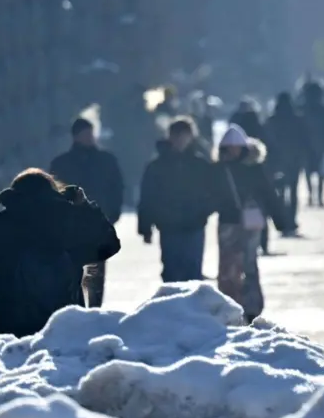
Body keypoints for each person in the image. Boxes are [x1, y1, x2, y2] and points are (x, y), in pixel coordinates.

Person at [0, 168, 120, 338]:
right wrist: (85, 206)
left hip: (11, 328)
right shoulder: (70, 220)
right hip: (65, 326)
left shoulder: (2, 225)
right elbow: (109, 244)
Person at [49, 118, 125, 308]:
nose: (89, 137)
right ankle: (74, 308)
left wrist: (112, 213)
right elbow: (53, 192)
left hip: (97, 223)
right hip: (69, 225)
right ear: (76, 136)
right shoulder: (62, 163)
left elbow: (117, 188)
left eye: (91, 133)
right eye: (85, 133)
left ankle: (95, 309)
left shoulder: (107, 161)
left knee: (97, 270)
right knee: (71, 270)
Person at [211, 125, 284, 323]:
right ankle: (231, 304)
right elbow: (208, 196)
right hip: (229, 222)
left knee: (248, 263)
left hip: (249, 223)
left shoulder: (254, 169)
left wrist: (281, 220)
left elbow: (269, 194)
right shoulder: (219, 170)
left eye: (236, 146)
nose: (233, 150)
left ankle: (251, 307)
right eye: (230, 147)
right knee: (228, 265)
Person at [137, 118, 214, 283]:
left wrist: (203, 212)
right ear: (169, 137)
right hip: (168, 226)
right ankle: (172, 307)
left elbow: (213, 192)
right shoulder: (157, 166)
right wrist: (145, 227)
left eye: (184, 135)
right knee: (171, 271)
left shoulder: (200, 164)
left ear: (191, 137)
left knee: (193, 272)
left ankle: (191, 308)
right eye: (176, 135)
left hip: (194, 225)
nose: (180, 140)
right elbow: (147, 197)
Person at [263, 92, 311, 236]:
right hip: (294, 160)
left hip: (276, 162)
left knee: (280, 192)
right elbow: (305, 140)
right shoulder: (298, 119)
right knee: (293, 191)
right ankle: (291, 220)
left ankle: (282, 221)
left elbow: (266, 141)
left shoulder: (272, 121)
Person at [301, 81, 324, 208]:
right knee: (321, 172)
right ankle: (320, 196)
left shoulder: (301, 109)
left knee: (308, 171)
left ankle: (311, 194)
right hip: (321, 144)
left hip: (306, 145)